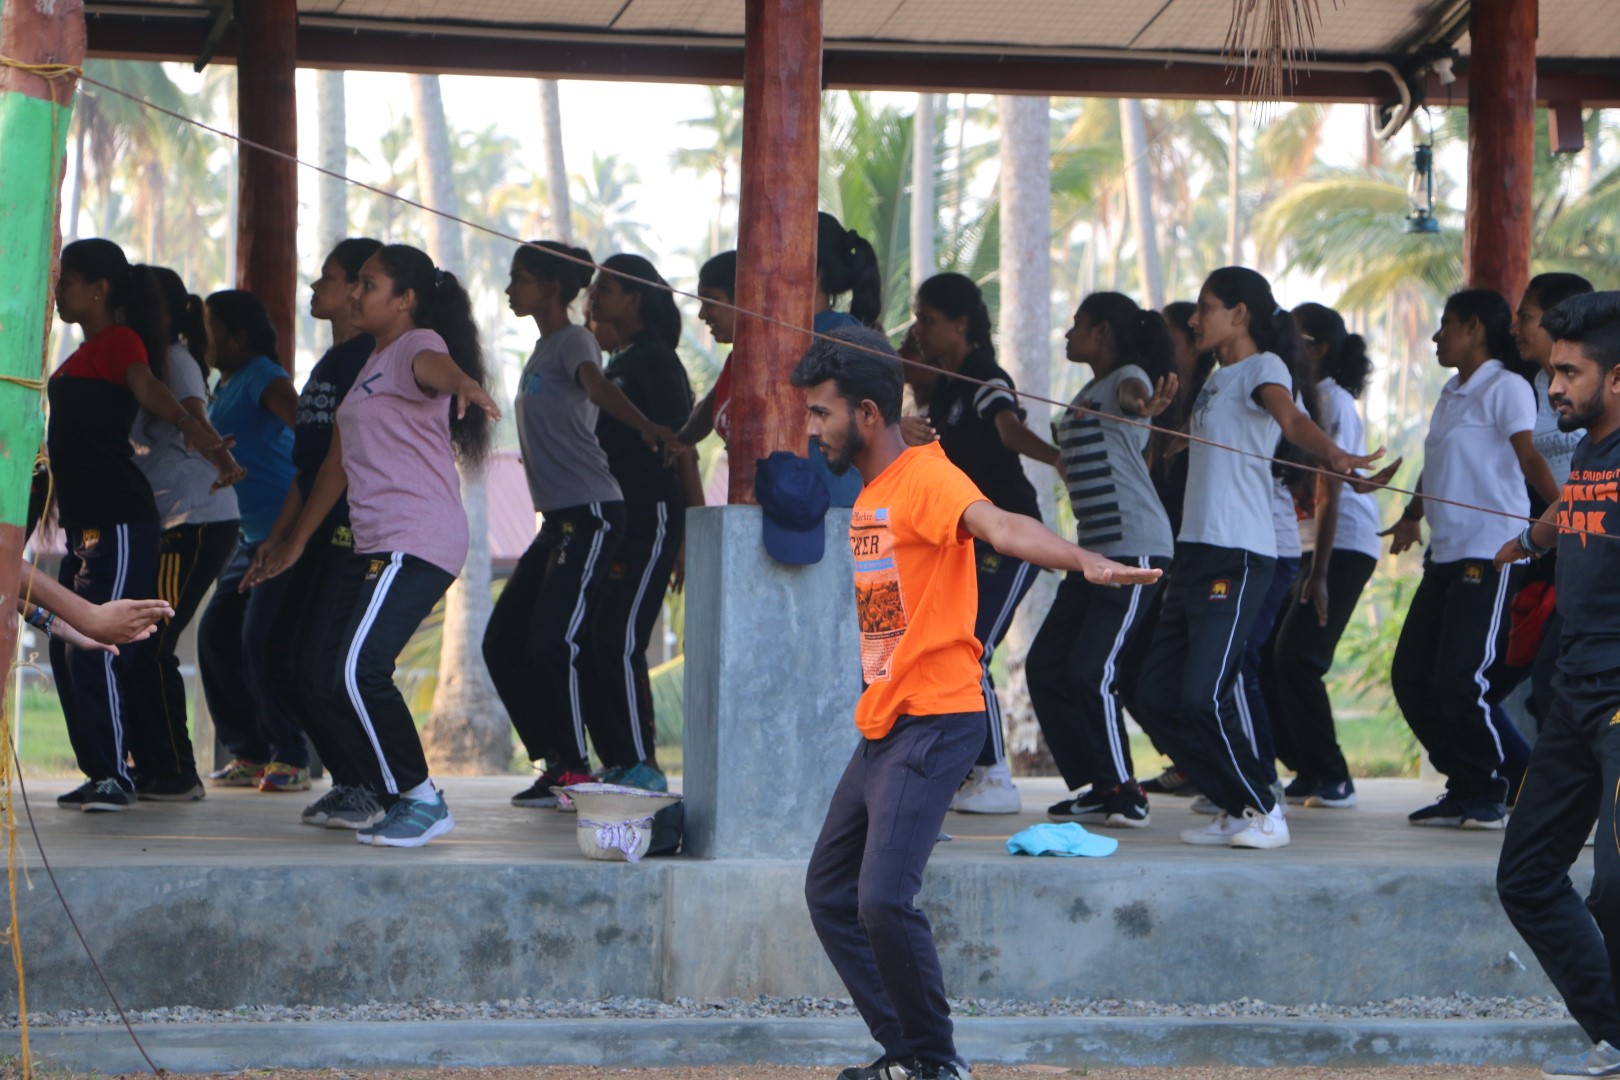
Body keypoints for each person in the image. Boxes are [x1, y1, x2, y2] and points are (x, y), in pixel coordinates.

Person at [793, 326, 1160, 1080]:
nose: (811, 428)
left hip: (936, 719)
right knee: (830, 892)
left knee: (883, 899)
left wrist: (1083, 560)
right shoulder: (878, 486)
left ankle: (936, 1062)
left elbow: (999, 524)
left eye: (821, 413)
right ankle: (908, 1051)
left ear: (866, 413)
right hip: (887, 722)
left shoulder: (927, 479)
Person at [245, 244, 500, 847]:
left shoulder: (415, 345)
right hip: (380, 543)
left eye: (369, 284)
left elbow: (438, 368)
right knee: (332, 671)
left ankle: (421, 799)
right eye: (355, 283)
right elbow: (336, 463)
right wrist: (297, 541)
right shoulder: (371, 364)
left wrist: (466, 383)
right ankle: (388, 792)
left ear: (405, 299)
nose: (356, 295)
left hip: (418, 536)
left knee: (358, 668)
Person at [1130, 267, 1382, 851]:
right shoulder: (1217, 380)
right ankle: (1236, 803)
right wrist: (1155, 417)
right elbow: (1194, 446)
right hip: (1196, 551)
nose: (1195, 319)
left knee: (1203, 694)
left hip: (1238, 554)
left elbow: (1293, 420)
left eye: (1206, 307)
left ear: (1239, 314)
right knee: (1153, 696)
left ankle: (1262, 808)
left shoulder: (1265, 368)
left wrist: (1335, 456)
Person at [486, 241, 675, 807]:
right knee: (502, 641)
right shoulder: (543, 349)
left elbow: (598, 387)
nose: (510, 289)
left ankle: (574, 768)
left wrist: (646, 427)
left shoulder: (574, 340)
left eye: (519, 278)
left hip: (593, 513)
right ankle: (554, 760)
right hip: (559, 519)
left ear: (549, 287)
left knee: (555, 638)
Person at [47, 239, 226, 813]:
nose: (57, 290)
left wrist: (190, 424)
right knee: (65, 642)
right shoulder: (84, 352)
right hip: (84, 522)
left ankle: (115, 776)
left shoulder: (120, 342)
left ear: (99, 289)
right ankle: (100, 770)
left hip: (119, 519)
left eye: (66, 280)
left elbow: (148, 386)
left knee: (98, 643)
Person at [1493, 291, 1620, 1080]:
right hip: (1575, 690)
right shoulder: (1592, 455)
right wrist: (1530, 539)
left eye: (1571, 373)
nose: (1555, 387)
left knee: (1615, 885)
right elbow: (1574, 505)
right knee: (1527, 876)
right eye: (1553, 371)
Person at [1383, 289, 1559, 830]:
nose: (1437, 337)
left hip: (1491, 553)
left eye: (1446, 325)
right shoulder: (1452, 391)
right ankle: (1467, 784)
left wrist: (1565, 516)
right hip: (1447, 554)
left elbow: (1529, 457)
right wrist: (1412, 514)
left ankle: (1490, 787)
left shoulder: (1505, 387)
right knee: (1411, 676)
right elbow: (1437, 459)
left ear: (1475, 328)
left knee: (1461, 677)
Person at [912, 272, 1059, 816]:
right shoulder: (946, 385)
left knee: (973, 647)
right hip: (968, 539)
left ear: (960, 324)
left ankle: (995, 776)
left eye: (928, 320)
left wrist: (1057, 459)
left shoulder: (984, 376)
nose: (919, 330)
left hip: (1010, 534)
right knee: (950, 646)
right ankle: (970, 769)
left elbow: (1007, 429)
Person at [1030, 292, 1177, 829]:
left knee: (1094, 671)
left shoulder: (1125, 379)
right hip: (1094, 553)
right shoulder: (1088, 391)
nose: (1068, 334)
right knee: (1047, 665)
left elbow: (1136, 398)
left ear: (1103, 333)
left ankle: (1125, 792)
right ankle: (1097, 785)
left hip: (1134, 548)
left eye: (1078, 325)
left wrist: (1146, 406)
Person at [258, 238, 388, 830]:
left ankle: (376, 785)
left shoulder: (371, 359)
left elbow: (344, 467)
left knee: (322, 664)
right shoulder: (329, 364)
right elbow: (308, 467)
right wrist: (280, 536)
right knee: (283, 655)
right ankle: (352, 781)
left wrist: (298, 538)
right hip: (313, 531)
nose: (316, 287)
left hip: (349, 536)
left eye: (328, 277)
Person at [122, 266, 245, 802]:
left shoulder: (173, 359)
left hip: (194, 521)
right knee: (139, 643)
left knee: (152, 644)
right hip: (169, 519)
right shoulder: (141, 360)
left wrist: (224, 460)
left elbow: (194, 416)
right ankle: (152, 765)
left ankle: (175, 773)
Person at [582, 254, 696, 794]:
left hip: (652, 516)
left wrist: (688, 535)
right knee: (593, 638)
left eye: (605, 288)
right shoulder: (618, 361)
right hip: (616, 518)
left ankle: (643, 764)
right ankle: (618, 759)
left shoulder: (656, 361)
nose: (594, 296)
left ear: (634, 299)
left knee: (618, 638)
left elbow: (682, 448)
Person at [674, 213, 881, 506]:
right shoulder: (759, 344)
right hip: (778, 507)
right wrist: (678, 439)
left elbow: (868, 419)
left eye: (772, 260)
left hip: (826, 510)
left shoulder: (840, 335)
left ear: (808, 267)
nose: (761, 274)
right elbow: (712, 406)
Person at [1269, 303, 1382, 809]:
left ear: (1318, 350)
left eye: (1295, 340)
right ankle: (1309, 767)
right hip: (1306, 545)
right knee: (1272, 656)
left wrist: (1318, 574)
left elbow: (1329, 490)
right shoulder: (1296, 397)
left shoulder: (1332, 400)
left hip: (1340, 546)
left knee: (1297, 656)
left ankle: (1333, 775)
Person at [194, 290, 304, 793]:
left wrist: (286, 534)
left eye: (210, 329)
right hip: (252, 535)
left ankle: (291, 755)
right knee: (216, 634)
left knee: (261, 640)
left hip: (286, 533)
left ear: (238, 337)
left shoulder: (263, 376)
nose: (203, 338)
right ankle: (250, 752)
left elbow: (310, 434)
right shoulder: (225, 384)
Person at [1508, 272, 1596, 727]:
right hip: (1561, 550)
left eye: (1526, 317)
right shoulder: (1531, 384)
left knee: (1555, 682)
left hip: (1594, 547)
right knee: (1548, 682)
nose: (1515, 328)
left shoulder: (1602, 383)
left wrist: (1546, 530)